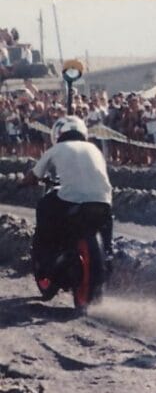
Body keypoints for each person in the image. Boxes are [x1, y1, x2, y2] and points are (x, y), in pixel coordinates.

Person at [18, 116, 114, 282]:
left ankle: (46, 254)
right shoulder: (95, 149)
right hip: (103, 199)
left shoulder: (56, 149)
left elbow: (34, 175)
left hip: (73, 199)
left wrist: (22, 183)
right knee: (106, 220)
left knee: (44, 205)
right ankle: (108, 252)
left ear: (58, 133)